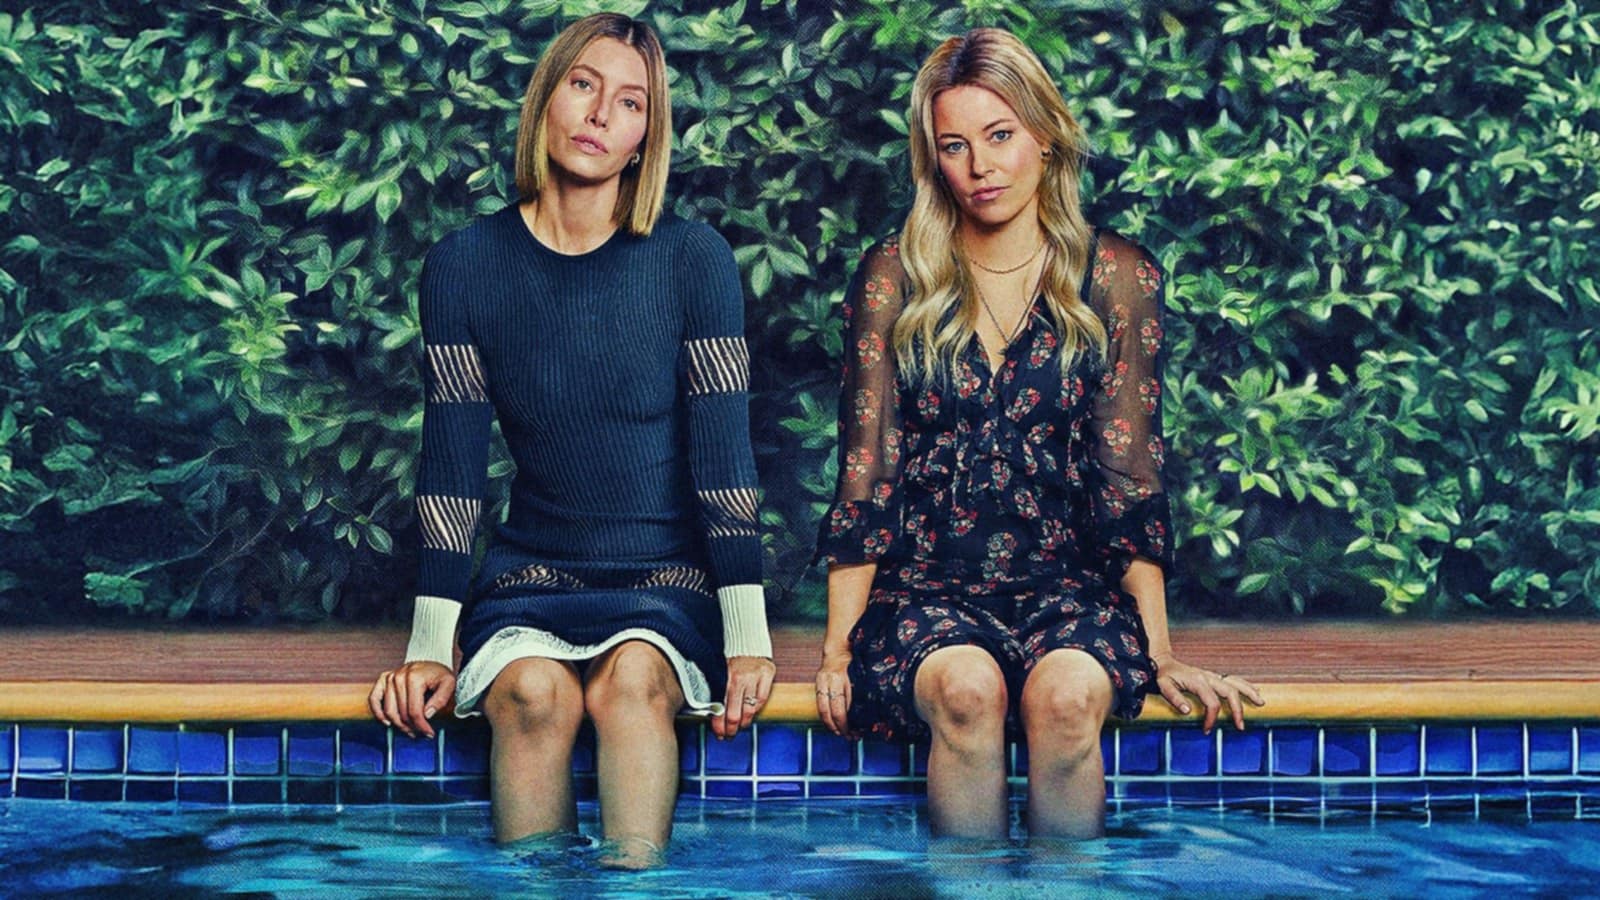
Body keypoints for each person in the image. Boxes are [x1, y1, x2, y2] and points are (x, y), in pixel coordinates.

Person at [813, 28, 1263, 841]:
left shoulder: (1117, 275)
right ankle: (973, 892)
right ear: (933, 159)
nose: (980, 167)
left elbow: (1129, 474)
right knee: (967, 694)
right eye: (955, 145)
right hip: (928, 589)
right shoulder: (895, 274)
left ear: (1045, 138)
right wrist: (837, 650)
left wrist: (1161, 651)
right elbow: (868, 469)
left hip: (1070, 586)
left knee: (1064, 701)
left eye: (1000, 136)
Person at [368, 13, 774, 868]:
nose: (599, 115)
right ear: (546, 99)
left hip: (666, 576)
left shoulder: (693, 258)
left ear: (644, 137)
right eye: (584, 85)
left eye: (630, 102)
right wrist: (429, 647)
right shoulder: (463, 264)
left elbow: (725, 465)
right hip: (535, 573)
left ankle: (636, 886)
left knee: (630, 684)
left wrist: (748, 636)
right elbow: (452, 473)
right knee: (531, 695)